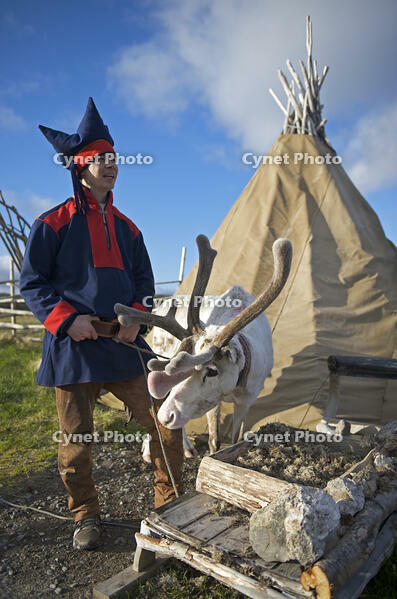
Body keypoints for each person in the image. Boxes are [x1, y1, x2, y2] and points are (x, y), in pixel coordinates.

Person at [19, 97, 184, 550]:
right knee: (75, 440)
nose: (111, 166)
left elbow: (145, 285)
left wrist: (136, 319)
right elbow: (31, 283)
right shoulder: (51, 223)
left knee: (167, 417)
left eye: (114, 159)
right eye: (101, 159)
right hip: (74, 345)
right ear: (80, 167)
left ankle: (168, 504)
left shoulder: (130, 229)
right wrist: (67, 322)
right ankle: (85, 516)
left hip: (124, 345)